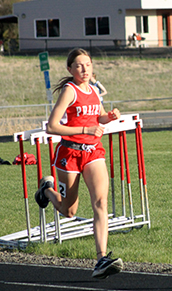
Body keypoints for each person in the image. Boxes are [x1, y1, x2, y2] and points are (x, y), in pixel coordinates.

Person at [34, 48, 123, 279]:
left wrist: (109, 117)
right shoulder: (69, 91)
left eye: (88, 65)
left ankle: (101, 258)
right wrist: (85, 129)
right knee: (69, 211)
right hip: (70, 153)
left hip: (93, 151)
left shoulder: (94, 89)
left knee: (101, 202)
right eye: (79, 66)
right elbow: (51, 127)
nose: (85, 70)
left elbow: (98, 116)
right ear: (70, 69)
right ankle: (47, 190)